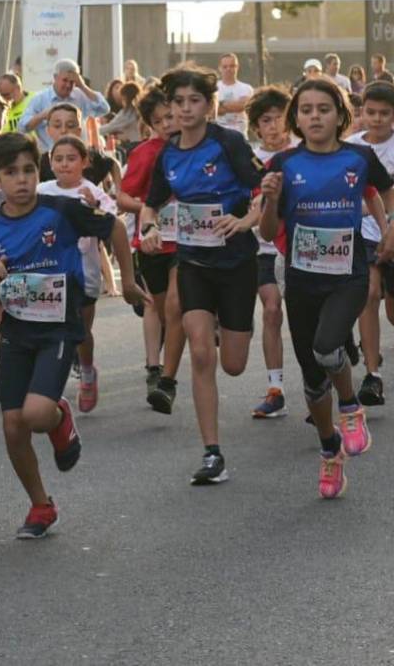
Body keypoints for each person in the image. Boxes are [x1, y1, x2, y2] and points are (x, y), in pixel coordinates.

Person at [0, 132, 144, 537]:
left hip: (58, 328)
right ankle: (40, 506)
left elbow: (116, 230)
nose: (22, 180)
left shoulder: (62, 210)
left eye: (30, 170)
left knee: (35, 415)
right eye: (11, 173)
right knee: (13, 425)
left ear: (40, 172)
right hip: (17, 330)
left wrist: (130, 280)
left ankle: (59, 417)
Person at [258, 78, 394, 498]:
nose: (315, 116)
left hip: (349, 274)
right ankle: (329, 451)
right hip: (302, 277)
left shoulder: (359, 157)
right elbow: (270, 231)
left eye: (324, 109)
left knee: (328, 347)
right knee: (310, 379)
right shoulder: (283, 164)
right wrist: (269, 200)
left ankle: (351, 405)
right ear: (296, 119)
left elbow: (389, 191)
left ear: (340, 115)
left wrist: (393, 226)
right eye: (306, 110)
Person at [139, 65, 262, 485]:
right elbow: (150, 205)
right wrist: (150, 228)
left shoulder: (228, 142)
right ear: (169, 107)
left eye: (195, 101)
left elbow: (260, 190)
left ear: (208, 106)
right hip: (193, 263)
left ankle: (226, 328)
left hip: (237, 263)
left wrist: (244, 222)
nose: (186, 109)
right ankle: (212, 452)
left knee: (233, 363)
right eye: (179, 102)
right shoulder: (168, 154)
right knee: (200, 351)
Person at [345, 82, 394, 406]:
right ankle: (372, 374)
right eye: (370, 112)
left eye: (384, 114)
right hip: (363, 233)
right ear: (360, 112)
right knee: (369, 293)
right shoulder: (349, 146)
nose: (376, 119)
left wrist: (392, 219)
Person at [40, 135, 118, 413]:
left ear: (84, 162)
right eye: (58, 159)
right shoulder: (43, 190)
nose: (64, 165)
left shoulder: (93, 191)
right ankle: (51, 385)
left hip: (85, 270)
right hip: (50, 271)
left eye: (71, 158)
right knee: (54, 329)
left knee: (81, 330)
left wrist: (94, 208)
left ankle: (87, 371)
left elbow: (112, 222)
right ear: (50, 163)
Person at [118, 87, 184, 413]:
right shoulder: (145, 153)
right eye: (158, 121)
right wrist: (149, 208)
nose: (167, 125)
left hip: (187, 243)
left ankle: (166, 377)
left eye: (170, 117)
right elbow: (122, 197)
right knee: (154, 307)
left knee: (175, 305)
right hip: (152, 242)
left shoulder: (198, 149)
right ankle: (153, 367)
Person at [246, 85, 296, 419]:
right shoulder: (247, 159)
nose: (274, 126)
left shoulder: (302, 154)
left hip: (299, 247)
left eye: (279, 119)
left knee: (313, 319)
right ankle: (275, 388)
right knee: (272, 310)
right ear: (256, 127)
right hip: (261, 249)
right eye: (266, 120)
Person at [19, 59, 110, 151]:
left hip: (77, 154)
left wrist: (83, 86)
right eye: (65, 80)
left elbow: (104, 108)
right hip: (49, 155)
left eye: (72, 82)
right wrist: (42, 115)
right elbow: (22, 127)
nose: (68, 85)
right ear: (55, 77)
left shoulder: (81, 95)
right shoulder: (40, 99)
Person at [213, 54, 254, 134]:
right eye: (225, 66)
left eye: (232, 66)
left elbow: (243, 106)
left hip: (240, 134)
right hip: (218, 135)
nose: (228, 69)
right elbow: (212, 110)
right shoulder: (214, 88)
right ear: (220, 68)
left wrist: (220, 104)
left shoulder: (246, 88)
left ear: (237, 67)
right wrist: (234, 105)